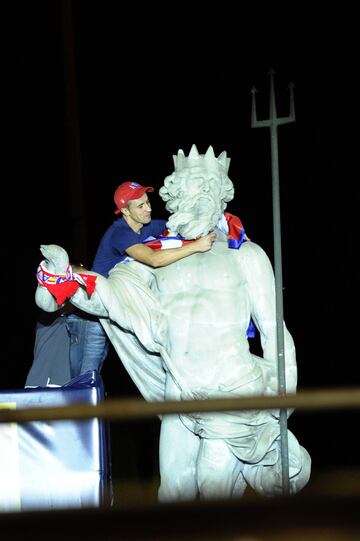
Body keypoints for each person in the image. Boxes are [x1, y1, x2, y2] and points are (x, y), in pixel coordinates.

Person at [35, 145, 311, 500]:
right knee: (172, 490)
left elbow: (275, 333)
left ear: (219, 198)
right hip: (179, 387)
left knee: (215, 491)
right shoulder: (161, 254)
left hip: (231, 389)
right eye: (184, 191)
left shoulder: (247, 256)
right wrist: (64, 280)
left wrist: (283, 399)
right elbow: (115, 294)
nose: (192, 199)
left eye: (203, 190)